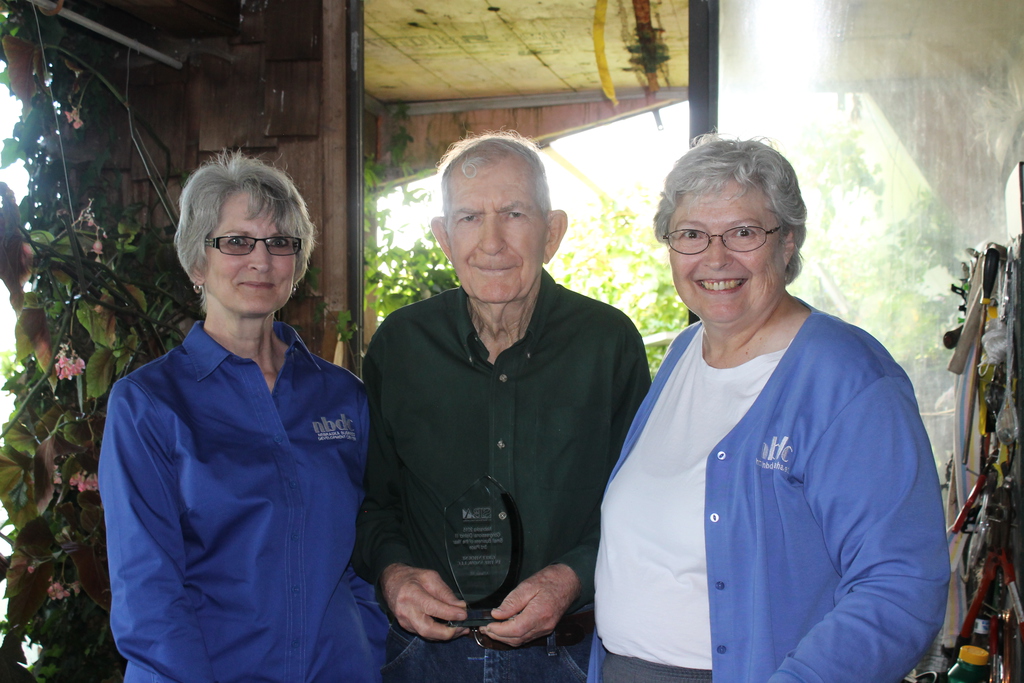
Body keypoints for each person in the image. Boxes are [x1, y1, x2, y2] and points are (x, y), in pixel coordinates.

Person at [590, 135, 950, 683]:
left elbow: (901, 588)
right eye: (691, 234)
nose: (715, 257)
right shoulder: (686, 352)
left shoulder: (848, 379)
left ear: (788, 242)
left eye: (743, 232)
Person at [354, 131, 651, 682]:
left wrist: (572, 578)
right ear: (443, 237)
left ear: (553, 232)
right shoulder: (400, 346)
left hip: (569, 655)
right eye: (469, 218)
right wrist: (393, 574)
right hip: (425, 658)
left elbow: (642, 506)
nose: (491, 242)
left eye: (513, 213)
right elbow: (374, 502)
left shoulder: (608, 344)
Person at [99, 152, 386, 683]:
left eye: (280, 242)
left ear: (297, 265)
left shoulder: (343, 397)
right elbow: (149, 593)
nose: (261, 260)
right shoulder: (147, 405)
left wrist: (365, 650)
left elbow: (367, 553)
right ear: (196, 262)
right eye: (236, 241)